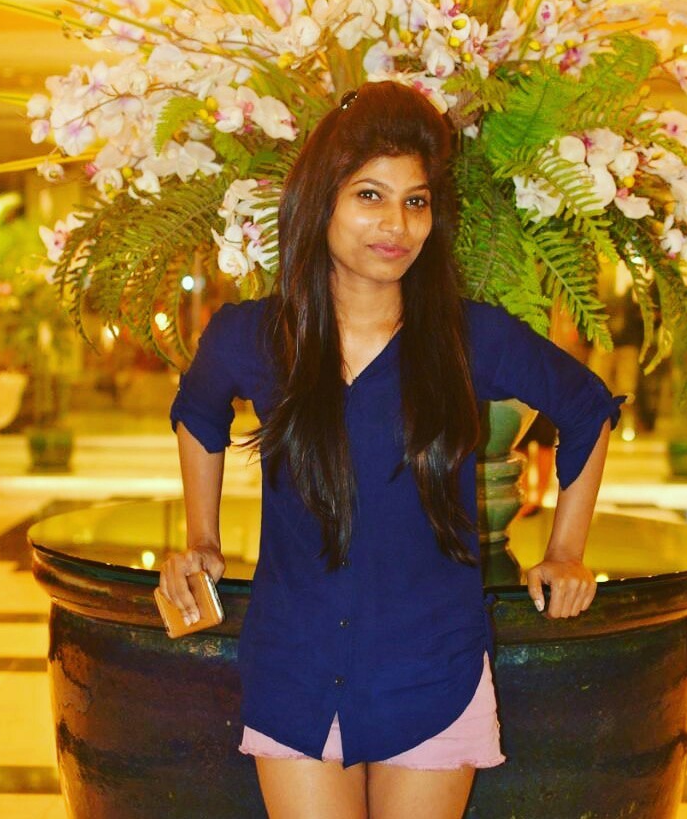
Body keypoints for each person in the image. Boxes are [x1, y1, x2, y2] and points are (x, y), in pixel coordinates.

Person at [160, 81, 622, 819]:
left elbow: (588, 407)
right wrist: (201, 539)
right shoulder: (254, 335)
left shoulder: (470, 337)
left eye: (416, 201)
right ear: (321, 202)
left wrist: (565, 550)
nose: (396, 224)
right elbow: (198, 409)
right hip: (296, 667)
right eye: (370, 196)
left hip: (432, 668)